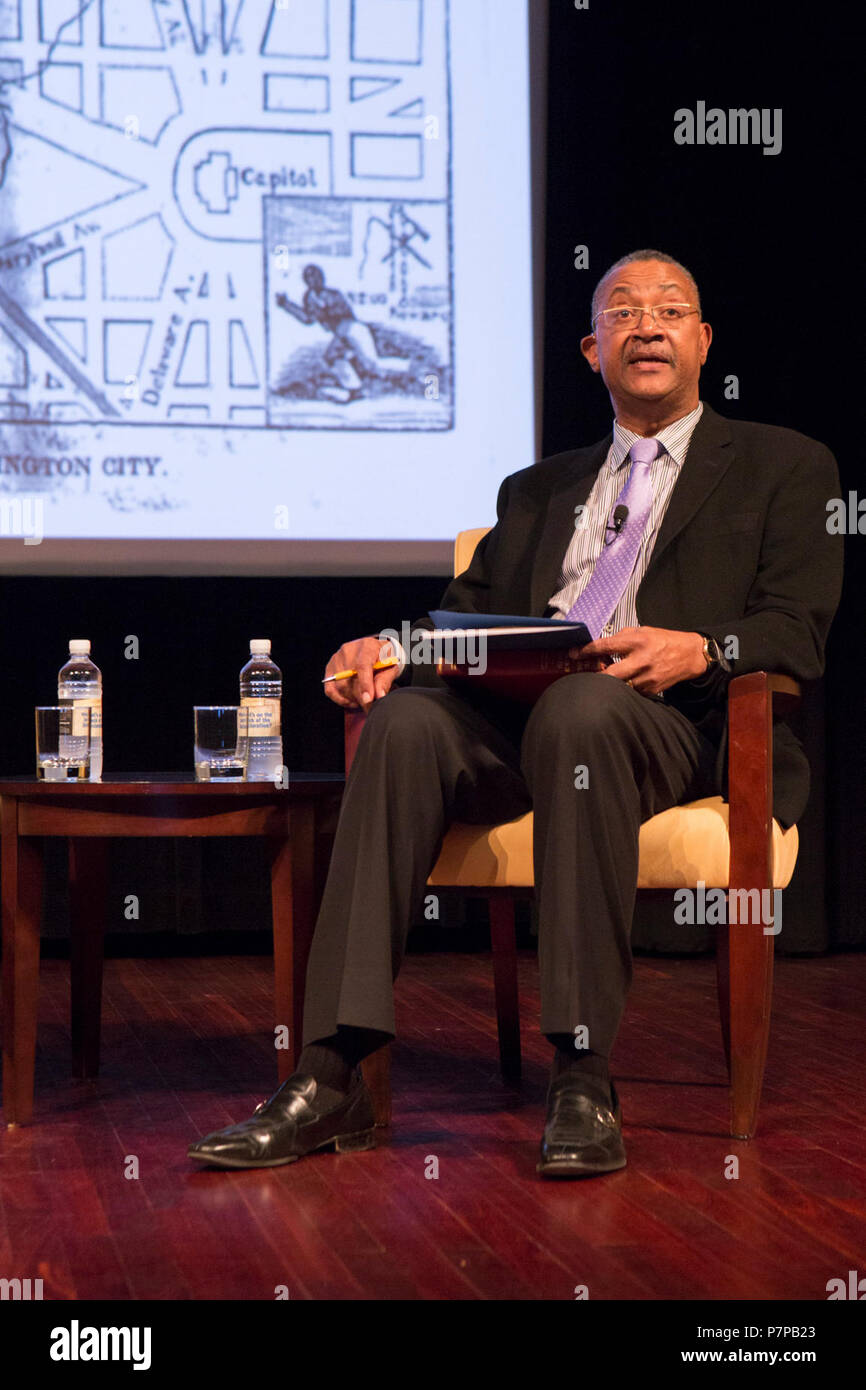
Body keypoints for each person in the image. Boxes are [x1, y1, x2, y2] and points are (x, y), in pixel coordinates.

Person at [190, 250, 843, 1178]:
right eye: (622, 313)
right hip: (524, 718)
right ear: (591, 350)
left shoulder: (785, 465)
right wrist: (382, 649)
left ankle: (581, 1074)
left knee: (582, 707)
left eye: (668, 311)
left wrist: (701, 647)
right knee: (407, 725)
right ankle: (329, 1073)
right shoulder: (538, 490)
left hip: (680, 725)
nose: (646, 326)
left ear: (703, 341)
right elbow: (462, 616)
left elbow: (797, 629)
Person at [275, 264, 410, 403]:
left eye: (315, 276)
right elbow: (307, 319)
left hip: (352, 329)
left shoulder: (333, 294)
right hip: (341, 333)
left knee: (373, 364)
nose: (313, 280)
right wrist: (286, 305)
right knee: (332, 357)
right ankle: (355, 389)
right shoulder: (309, 297)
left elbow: (344, 314)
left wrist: (324, 309)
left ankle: (411, 366)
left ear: (321, 278)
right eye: (309, 277)